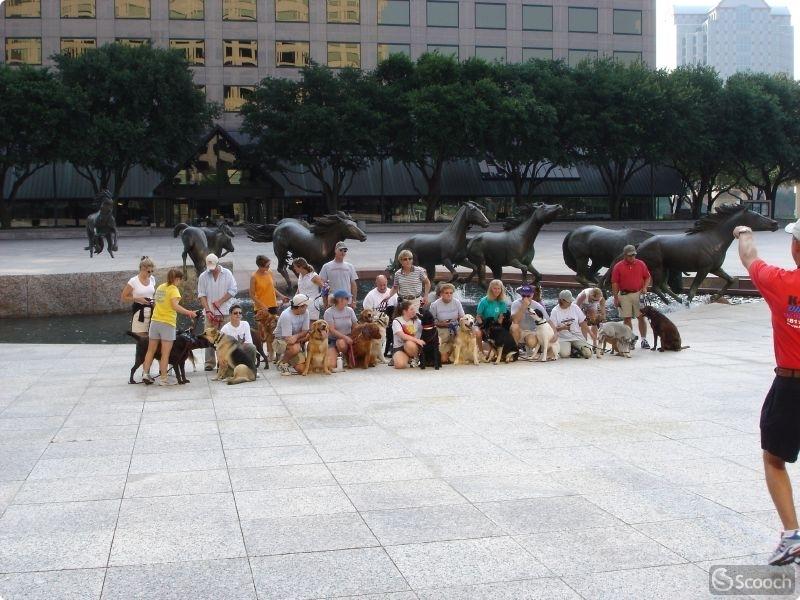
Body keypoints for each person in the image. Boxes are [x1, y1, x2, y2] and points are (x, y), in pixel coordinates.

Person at [734, 219, 800, 565]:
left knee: (775, 458)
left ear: (796, 248)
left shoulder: (780, 282)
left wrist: (743, 231)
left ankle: (792, 536)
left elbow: (749, 257)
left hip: (791, 386)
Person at [141, 268, 199, 386]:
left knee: (150, 350)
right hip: (167, 324)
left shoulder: (160, 287)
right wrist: (189, 312)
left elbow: (156, 303)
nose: (180, 282)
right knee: (165, 353)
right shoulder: (174, 290)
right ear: (177, 279)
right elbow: (175, 306)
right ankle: (163, 379)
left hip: (155, 322)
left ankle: (145, 374)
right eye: (180, 280)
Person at [198, 253, 238, 370]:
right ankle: (209, 363)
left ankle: (225, 361)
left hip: (225, 311)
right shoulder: (203, 276)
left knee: (225, 338)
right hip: (210, 312)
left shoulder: (227, 274)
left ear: (218, 264)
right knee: (208, 338)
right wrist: (208, 310)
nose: (212, 270)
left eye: (214, 268)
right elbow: (202, 295)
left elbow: (233, 290)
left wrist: (220, 302)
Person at [611, 245, 651, 349]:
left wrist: (645, 287)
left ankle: (644, 340)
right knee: (627, 318)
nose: (632, 257)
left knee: (641, 317)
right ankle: (630, 339)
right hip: (624, 295)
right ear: (625, 255)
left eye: (634, 255)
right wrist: (615, 298)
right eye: (630, 255)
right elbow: (614, 283)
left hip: (638, 293)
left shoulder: (641, 264)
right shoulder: (618, 266)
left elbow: (647, 277)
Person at [510, 284, 556, 357]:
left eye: (528, 296)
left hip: (530, 332)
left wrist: (555, 333)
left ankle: (530, 349)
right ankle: (515, 351)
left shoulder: (537, 305)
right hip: (519, 330)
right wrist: (523, 307)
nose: (526, 298)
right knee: (514, 326)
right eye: (523, 296)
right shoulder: (515, 303)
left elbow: (548, 320)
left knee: (531, 342)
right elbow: (515, 321)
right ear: (521, 295)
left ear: (532, 295)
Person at [273, 293, 312, 375]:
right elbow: (288, 339)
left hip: (296, 340)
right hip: (280, 341)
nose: (307, 307)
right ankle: (283, 363)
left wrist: (297, 336)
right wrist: (302, 337)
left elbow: (305, 331)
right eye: (305, 305)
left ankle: (288, 358)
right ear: (300, 306)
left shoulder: (306, 312)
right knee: (295, 348)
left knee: (302, 369)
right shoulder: (286, 315)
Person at [428, 282, 465, 363]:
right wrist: (441, 324)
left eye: (451, 293)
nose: (449, 295)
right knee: (443, 360)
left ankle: (454, 352)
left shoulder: (457, 302)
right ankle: (448, 353)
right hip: (441, 329)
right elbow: (430, 322)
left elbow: (462, 317)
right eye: (446, 293)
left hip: (455, 328)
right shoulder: (435, 305)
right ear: (441, 294)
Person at [550, 289, 592, 359]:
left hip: (576, 336)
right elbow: (552, 329)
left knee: (588, 354)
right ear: (562, 301)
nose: (571, 302)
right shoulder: (555, 311)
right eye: (569, 301)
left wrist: (590, 333)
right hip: (563, 338)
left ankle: (575, 349)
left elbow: (582, 322)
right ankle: (573, 350)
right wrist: (562, 328)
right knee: (564, 354)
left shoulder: (575, 307)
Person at [363, 274, 397, 358]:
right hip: (376, 321)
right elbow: (366, 313)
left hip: (390, 321)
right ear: (376, 284)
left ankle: (391, 348)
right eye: (380, 285)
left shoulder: (393, 294)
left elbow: (397, 311)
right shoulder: (370, 296)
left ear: (387, 282)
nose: (382, 287)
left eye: (384, 285)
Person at [121, 256, 155, 338]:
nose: (150, 273)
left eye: (152, 271)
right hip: (139, 312)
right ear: (142, 269)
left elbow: (152, 295)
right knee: (141, 341)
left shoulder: (152, 279)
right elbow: (123, 297)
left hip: (152, 312)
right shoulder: (133, 281)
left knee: (152, 340)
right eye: (148, 271)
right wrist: (137, 299)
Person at [324, 289, 358, 369]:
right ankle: (337, 354)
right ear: (341, 300)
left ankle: (346, 357)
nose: (349, 300)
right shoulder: (329, 312)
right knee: (331, 365)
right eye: (347, 298)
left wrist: (355, 336)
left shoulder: (350, 310)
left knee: (341, 343)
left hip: (348, 338)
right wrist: (345, 337)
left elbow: (355, 325)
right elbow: (332, 330)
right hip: (333, 340)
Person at [320, 242, 358, 307]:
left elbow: (353, 284)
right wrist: (324, 300)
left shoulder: (350, 266)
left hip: (347, 301)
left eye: (345, 251)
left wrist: (354, 300)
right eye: (340, 250)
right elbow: (323, 284)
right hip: (332, 301)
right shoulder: (326, 266)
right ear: (335, 250)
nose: (343, 252)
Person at [476, 279, 510, 348]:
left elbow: (501, 317)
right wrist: (483, 326)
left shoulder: (502, 302)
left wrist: (498, 328)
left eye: (498, 289)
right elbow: (478, 316)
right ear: (491, 289)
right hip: (483, 323)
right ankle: (480, 351)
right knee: (478, 333)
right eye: (495, 288)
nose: (497, 290)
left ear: (501, 290)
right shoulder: (483, 301)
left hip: (495, 323)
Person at [391, 300, 424, 369]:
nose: (414, 311)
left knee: (409, 344)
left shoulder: (417, 321)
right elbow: (403, 336)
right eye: (411, 309)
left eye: (414, 309)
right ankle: (405, 358)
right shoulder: (396, 321)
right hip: (400, 348)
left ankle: (415, 357)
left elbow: (426, 330)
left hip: (413, 347)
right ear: (404, 311)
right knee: (400, 365)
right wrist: (417, 340)